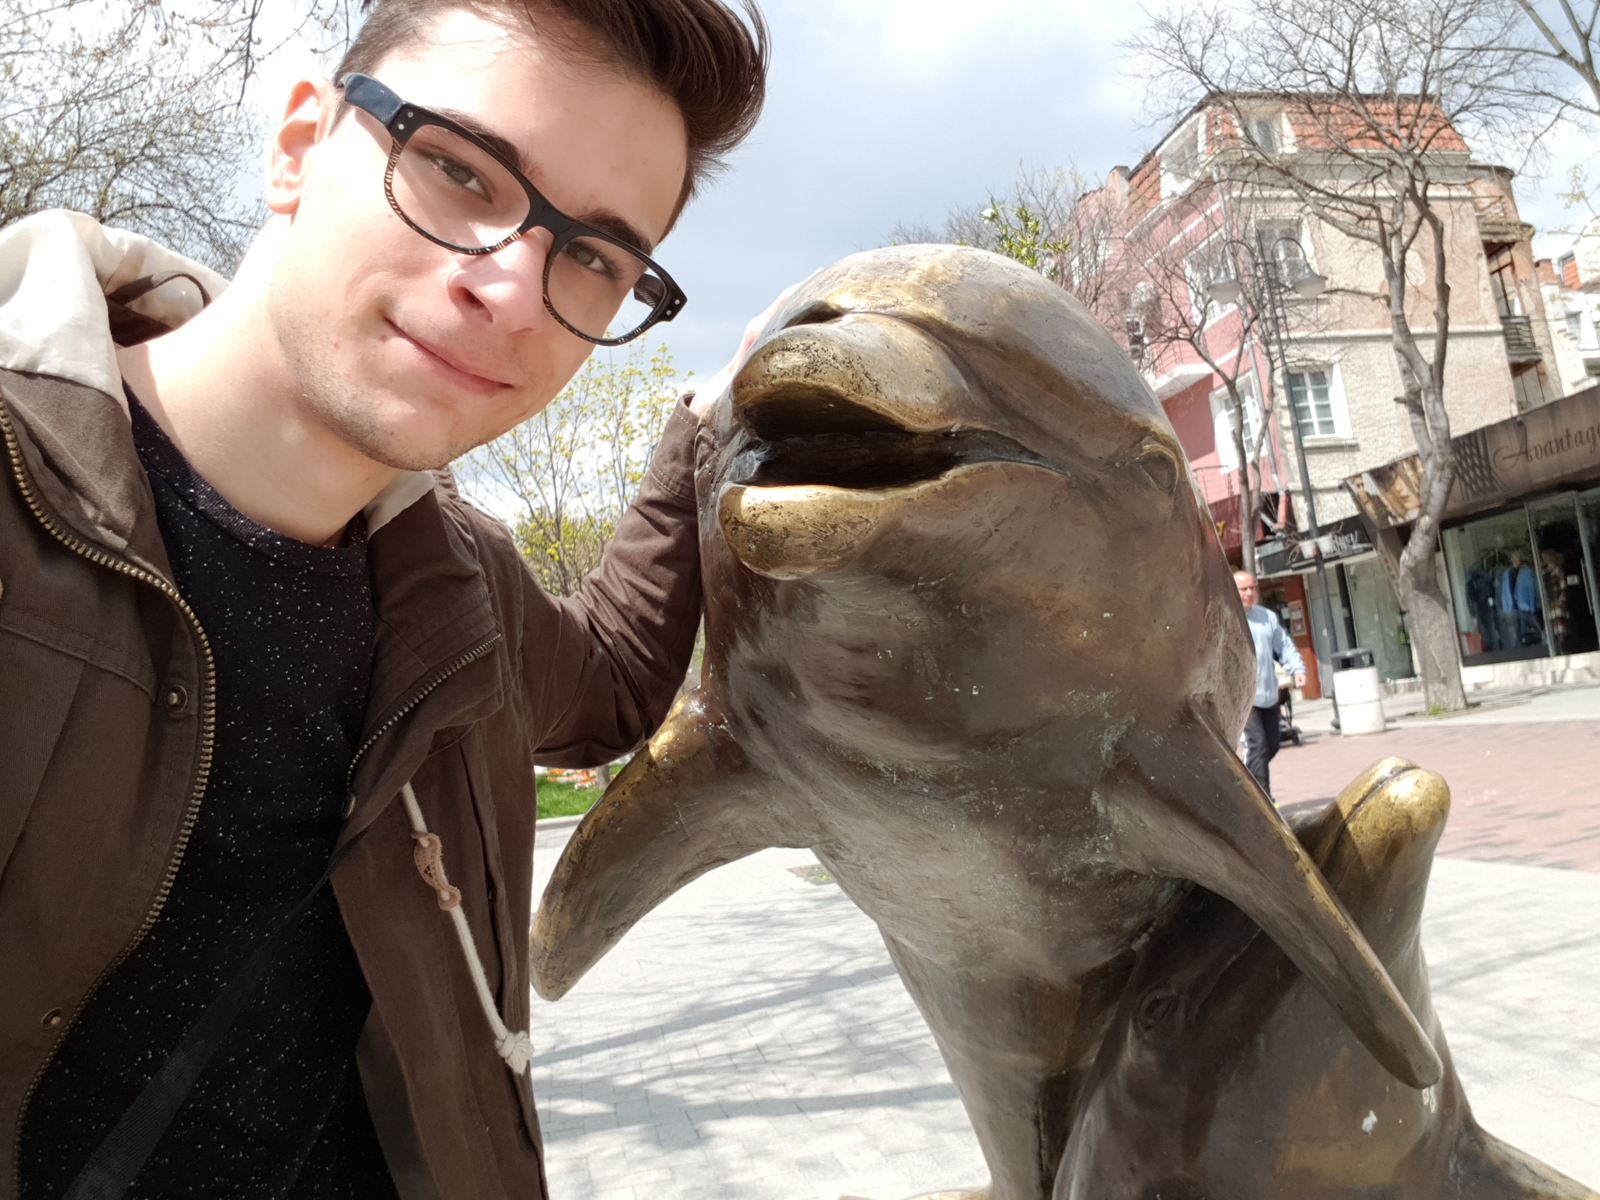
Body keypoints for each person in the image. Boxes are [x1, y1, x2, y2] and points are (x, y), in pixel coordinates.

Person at [0, 1, 770, 1197]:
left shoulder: (459, 585)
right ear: (298, 147)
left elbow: (611, 686)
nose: (512, 288)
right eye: (460, 171)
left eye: (592, 257)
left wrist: (696, 430)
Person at [1233, 571, 1306, 798]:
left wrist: (1298, 669)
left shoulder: (1267, 617)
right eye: (1243, 589)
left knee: (1272, 745)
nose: (1249, 593)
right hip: (1243, 699)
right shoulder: (1226, 617)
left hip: (1267, 693)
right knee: (1258, 746)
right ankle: (1264, 799)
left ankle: (1244, 785)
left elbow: (1283, 646)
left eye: (1252, 588)